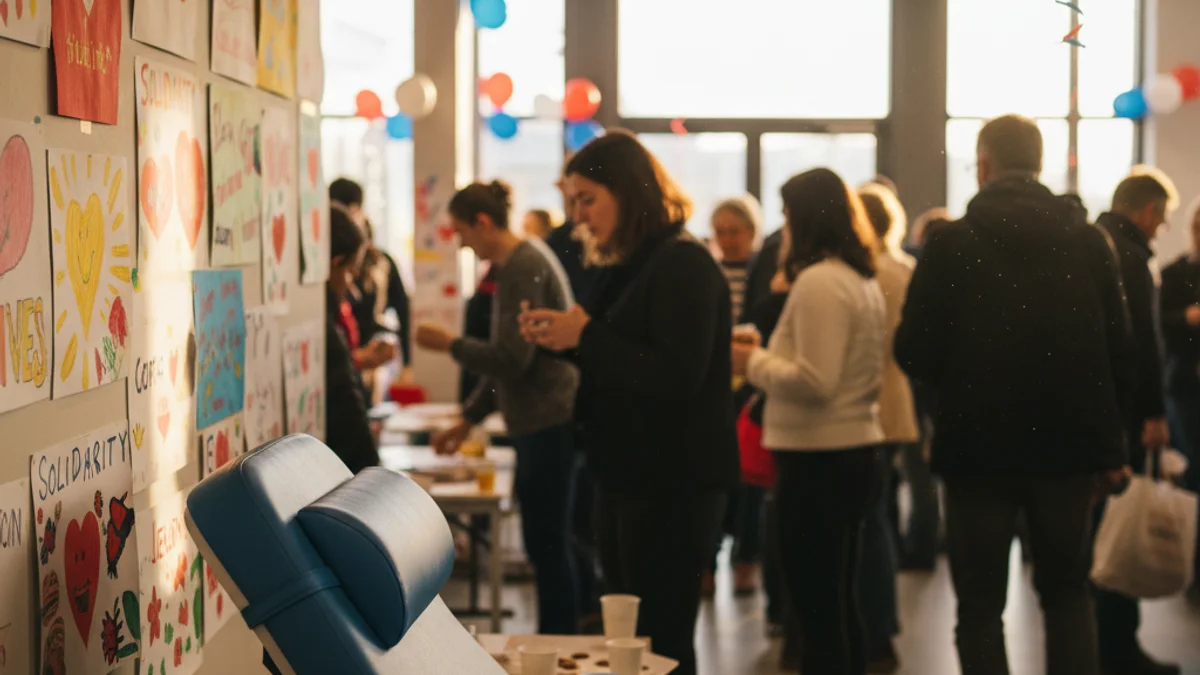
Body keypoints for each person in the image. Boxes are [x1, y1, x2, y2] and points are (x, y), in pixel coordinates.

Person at [895, 114, 1135, 675]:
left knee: (979, 607)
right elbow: (1122, 351)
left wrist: (957, 384)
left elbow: (912, 350)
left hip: (976, 450)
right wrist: (1110, 445)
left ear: (983, 166)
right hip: (1069, 451)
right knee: (1068, 594)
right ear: (1039, 163)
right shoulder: (1088, 241)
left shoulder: (951, 243)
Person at [518, 130, 738, 675]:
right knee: (629, 643)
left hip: (672, 485)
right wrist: (565, 341)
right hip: (628, 475)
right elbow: (620, 358)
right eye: (573, 202)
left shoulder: (682, 263)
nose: (579, 217)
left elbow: (677, 375)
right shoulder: (629, 264)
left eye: (588, 199)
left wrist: (584, 338)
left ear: (629, 191)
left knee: (660, 643)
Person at [733, 168, 888, 675]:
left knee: (819, 611)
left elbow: (816, 381)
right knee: (838, 603)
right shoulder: (856, 277)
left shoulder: (820, 281)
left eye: (786, 214)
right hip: (849, 450)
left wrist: (751, 363)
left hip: (820, 458)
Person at [415, 181, 582, 636]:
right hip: (539, 418)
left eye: (462, 231)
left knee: (547, 541)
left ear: (483, 223)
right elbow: (509, 365)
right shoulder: (519, 263)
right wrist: (466, 420)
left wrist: (448, 343)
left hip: (548, 418)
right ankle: (562, 636)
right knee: (548, 540)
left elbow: (510, 360)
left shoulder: (522, 266)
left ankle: (559, 643)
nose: (462, 243)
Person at [1094, 170, 1181, 675]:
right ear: (1147, 212)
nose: (1159, 229)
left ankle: (1109, 644)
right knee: (1118, 527)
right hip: (1123, 414)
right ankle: (1119, 649)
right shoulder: (1131, 259)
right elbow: (1143, 346)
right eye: (1161, 220)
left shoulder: (1093, 244)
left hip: (1096, 410)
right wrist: (1153, 412)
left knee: (1103, 529)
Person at [857, 182, 917, 671]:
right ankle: (881, 625)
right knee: (881, 512)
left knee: (871, 519)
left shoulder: (864, 273)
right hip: (897, 402)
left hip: (864, 404)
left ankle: (876, 628)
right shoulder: (906, 270)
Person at [705, 195, 766, 597]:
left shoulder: (764, 271)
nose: (727, 240)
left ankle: (747, 560)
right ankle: (707, 564)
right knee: (713, 478)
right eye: (721, 232)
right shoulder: (706, 271)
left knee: (751, 482)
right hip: (714, 385)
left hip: (753, 385)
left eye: (735, 231)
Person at [329, 178, 413, 389]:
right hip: (350, 362)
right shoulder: (330, 263)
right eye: (349, 271)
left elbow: (402, 309)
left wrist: (407, 362)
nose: (351, 286)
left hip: (365, 362)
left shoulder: (380, 262)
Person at [1160, 197, 1200, 604]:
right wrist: (1187, 318)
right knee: (1196, 474)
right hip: (1188, 389)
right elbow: (1162, 329)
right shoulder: (1175, 274)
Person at [324, 206, 381, 475]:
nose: (349, 285)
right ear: (335, 262)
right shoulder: (322, 320)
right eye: (350, 271)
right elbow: (345, 399)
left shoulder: (325, 314)